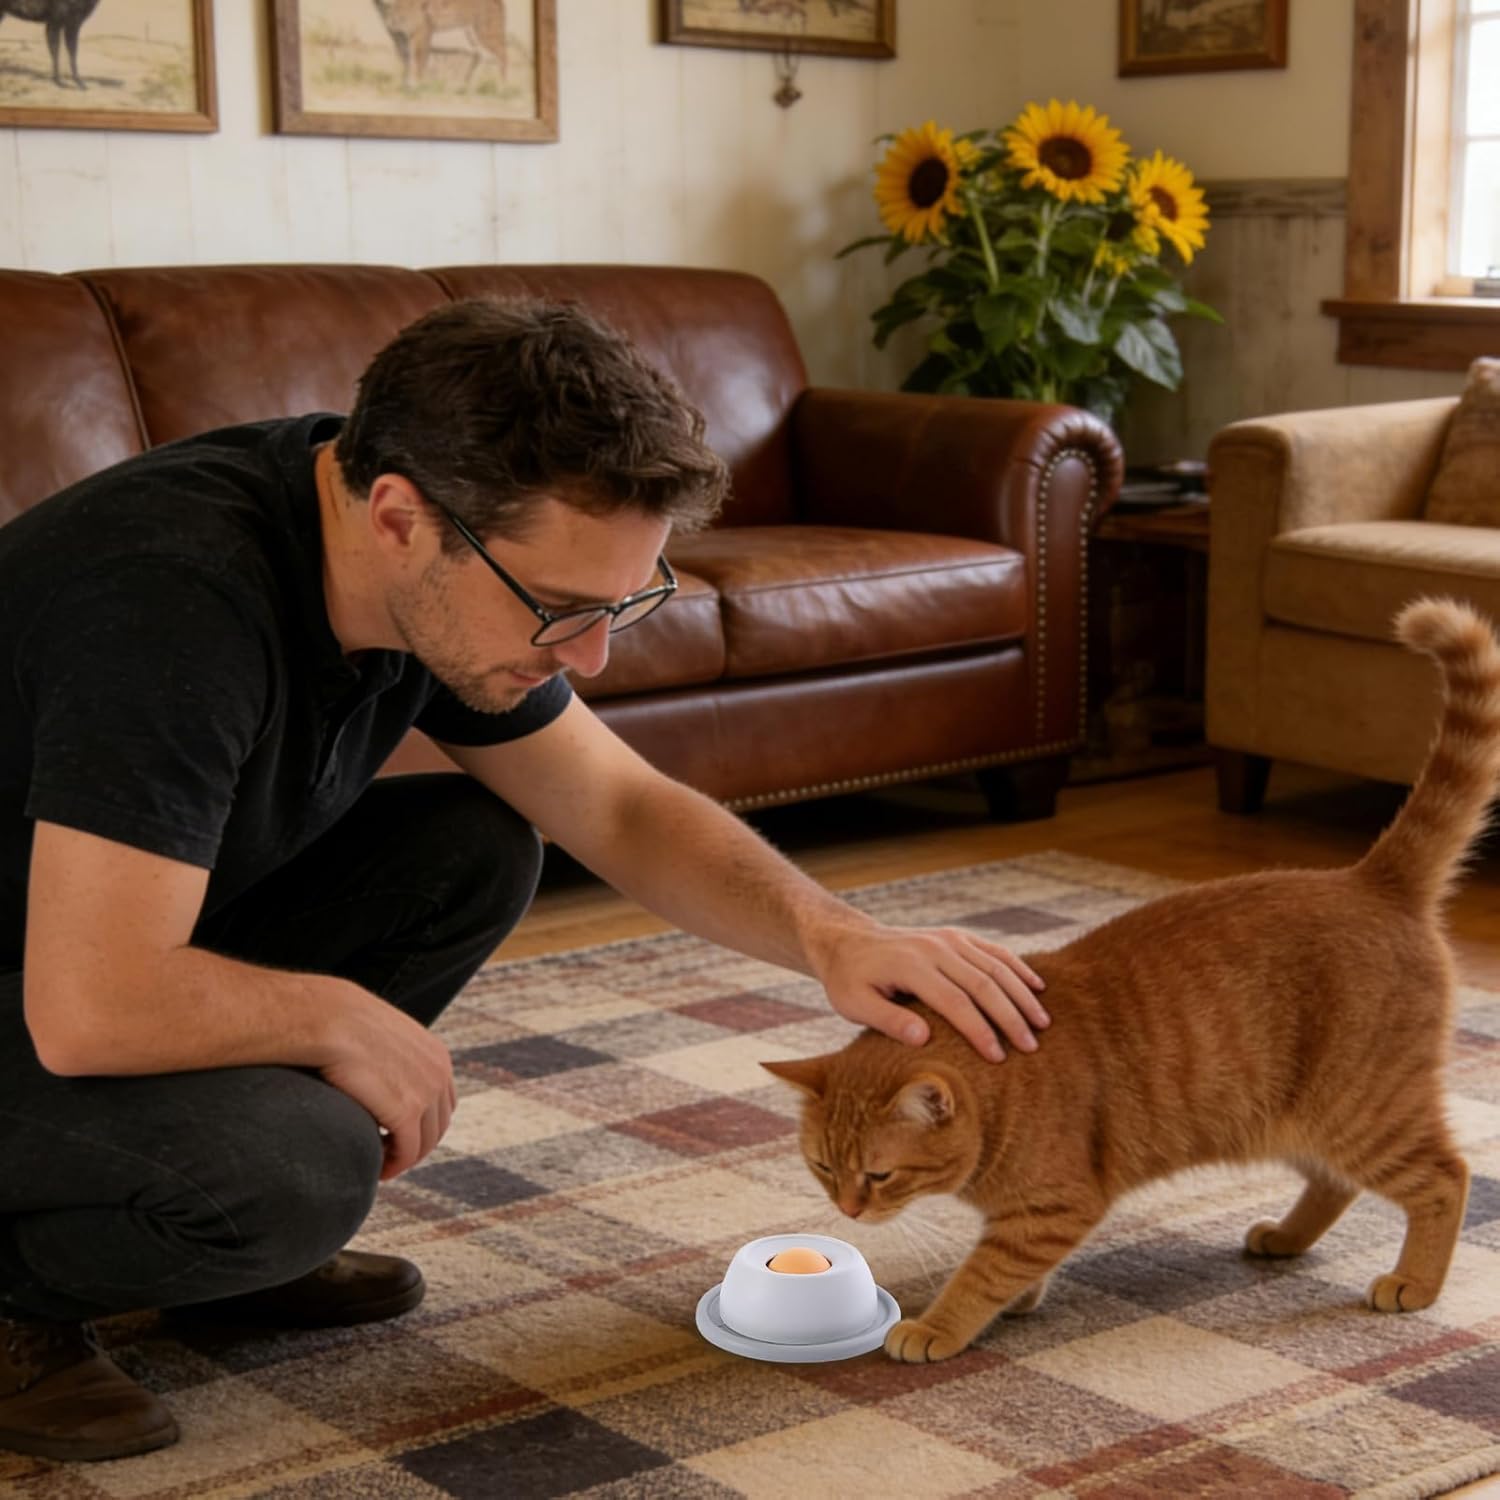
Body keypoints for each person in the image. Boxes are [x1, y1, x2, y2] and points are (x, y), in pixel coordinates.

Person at [0, 298, 1050, 1462]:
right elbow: (94, 1004)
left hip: (53, 965)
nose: (590, 657)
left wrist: (832, 934)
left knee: (474, 847)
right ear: (400, 519)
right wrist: (333, 1015)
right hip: (60, 985)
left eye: (619, 606)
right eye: (561, 611)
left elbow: (618, 804)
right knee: (295, 1171)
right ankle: (20, 1299)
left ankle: (217, 1263)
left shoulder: (390, 520)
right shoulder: (171, 603)